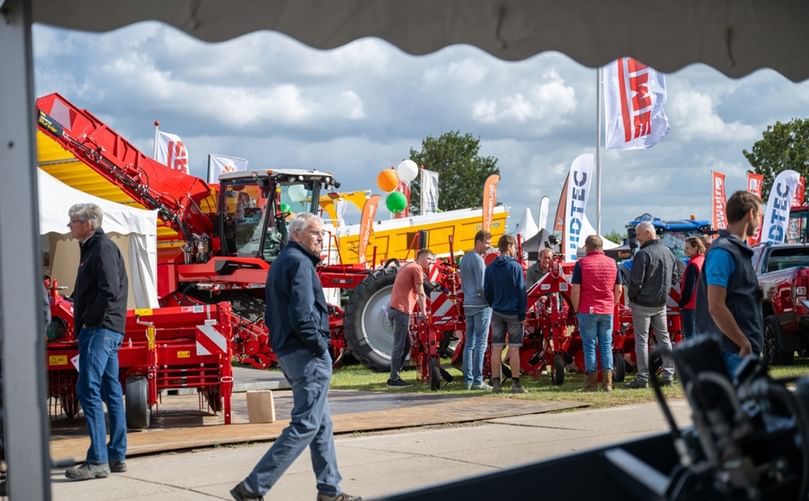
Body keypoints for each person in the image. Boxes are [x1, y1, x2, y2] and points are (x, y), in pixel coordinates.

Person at [231, 213, 360, 501]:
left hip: (291, 352)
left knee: (321, 423)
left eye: (323, 233)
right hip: (306, 355)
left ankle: (330, 489)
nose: (321, 238)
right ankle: (254, 486)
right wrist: (320, 347)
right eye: (316, 233)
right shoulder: (300, 263)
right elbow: (302, 315)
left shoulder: (282, 263)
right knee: (305, 424)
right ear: (298, 234)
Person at [64, 203, 128, 481]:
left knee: (87, 387)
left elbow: (109, 290)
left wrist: (90, 320)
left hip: (100, 330)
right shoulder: (95, 248)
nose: (69, 226)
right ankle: (115, 455)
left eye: (73, 221)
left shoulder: (100, 248)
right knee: (109, 389)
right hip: (106, 328)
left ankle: (98, 460)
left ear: (88, 224)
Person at [695, 191, 767, 377]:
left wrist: (759, 292)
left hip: (738, 351)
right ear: (750, 214)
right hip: (731, 352)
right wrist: (743, 342)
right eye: (759, 215)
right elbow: (716, 306)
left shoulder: (738, 250)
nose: (760, 221)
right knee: (736, 406)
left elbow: (734, 295)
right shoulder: (723, 252)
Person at [625, 221, 679, 389]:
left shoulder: (643, 254)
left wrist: (632, 297)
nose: (637, 238)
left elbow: (635, 282)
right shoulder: (668, 252)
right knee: (664, 339)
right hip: (661, 302)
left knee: (641, 340)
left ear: (648, 233)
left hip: (643, 303)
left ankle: (642, 377)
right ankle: (668, 374)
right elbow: (675, 277)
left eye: (638, 234)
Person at [570, 235, 623, 392]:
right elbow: (619, 289)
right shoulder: (613, 263)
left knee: (589, 345)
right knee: (606, 345)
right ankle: (608, 383)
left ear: (587, 247)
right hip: (607, 310)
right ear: (602, 247)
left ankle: (591, 383)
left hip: (588, 309)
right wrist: (611, 305)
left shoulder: (581, 264)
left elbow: (575, 291)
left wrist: (576, 310)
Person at [484, 234, 528, 394]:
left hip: (497, 311)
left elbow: (487, 291)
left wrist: (493, 304)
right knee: (514, 348)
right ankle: (516, 383)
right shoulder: (515, 267)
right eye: (514, 247)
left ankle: (496, 383)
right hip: (514, 312)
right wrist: (523, 314)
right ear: (509, 247)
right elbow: (521, 292)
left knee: (496, 347)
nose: (515, 250)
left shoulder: (490, 268)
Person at [386, 249, 435, 387]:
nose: (431, 262)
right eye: (429, 259)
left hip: (395, 310)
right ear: (421, 258)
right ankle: (393, 379)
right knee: (399, 345)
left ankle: (396, 373)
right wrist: (425, 313)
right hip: (402, 311)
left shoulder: (407, 266)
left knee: (406, 344)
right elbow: (421, 293)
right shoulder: (417, 269)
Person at [460, 230, 493, 390]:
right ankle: (478, 380)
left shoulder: (464, 259)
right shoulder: (479, 260)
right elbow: (482, 286)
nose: (488, 247)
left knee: (469, 343)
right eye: (487, 243)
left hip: (468, 303)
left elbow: (463, 284)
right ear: (479, 241)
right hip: (481, 305)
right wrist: (491, 301)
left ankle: (468, 379)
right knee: (481, 342)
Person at [678, 236, 706, 339]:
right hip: (703, 305)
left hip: (691, 306)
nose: (685, 250)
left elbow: (689, 287)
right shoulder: (704, 260)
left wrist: (682, 303)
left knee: (691, 338)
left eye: (687, 248)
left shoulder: (693, 264)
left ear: (695, 248)